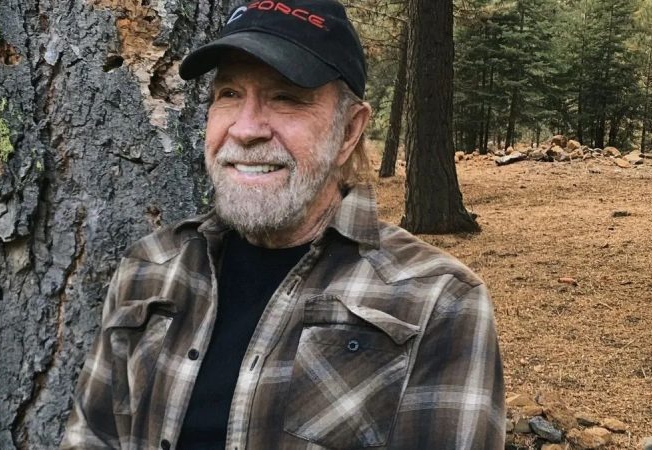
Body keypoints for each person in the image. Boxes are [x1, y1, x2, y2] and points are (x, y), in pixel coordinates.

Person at [61, 1, 505, 449]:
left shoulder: (437, 301)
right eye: (229, 94)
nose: (245, 129)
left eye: (285, 97)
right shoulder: (150, 269)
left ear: (349, 130)